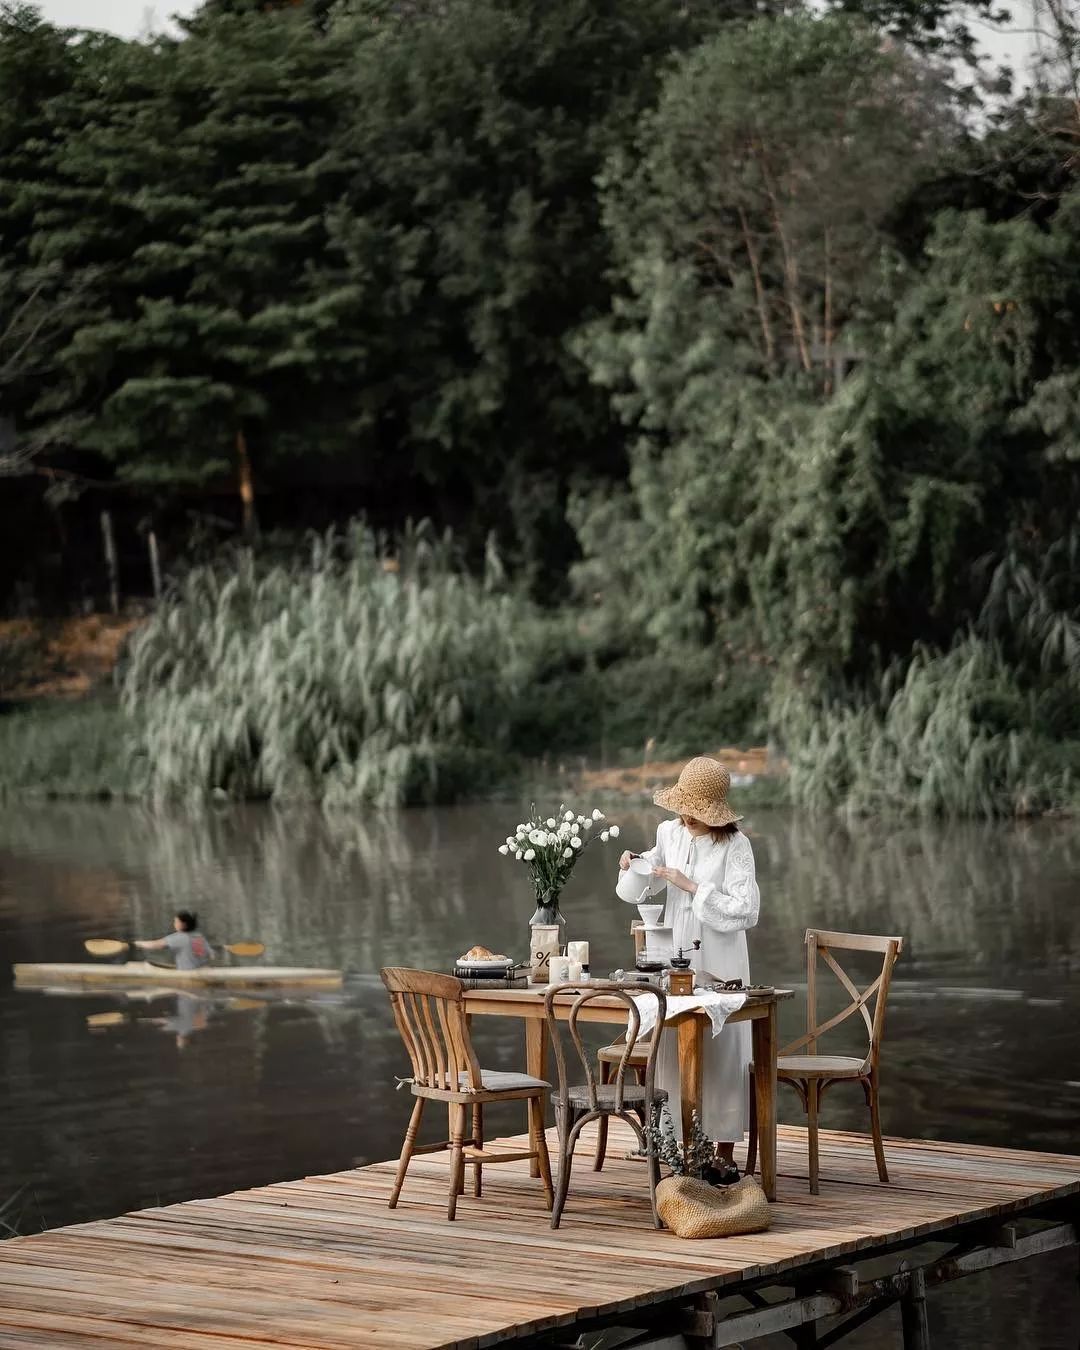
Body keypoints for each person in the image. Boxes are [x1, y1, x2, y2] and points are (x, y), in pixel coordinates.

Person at [617, 756, 759, 1184]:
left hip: (720, 956)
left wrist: (693, 887)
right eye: (683, 807)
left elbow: (746, 910)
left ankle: (723, 1152)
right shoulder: (668, 832)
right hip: (674, 950)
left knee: (724, 1050)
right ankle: (676, 1147)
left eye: (695, 811)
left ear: (714, 812)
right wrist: (633, 866)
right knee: (674, 1044)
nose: (685, 817)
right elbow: (649, 882)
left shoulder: (736, 846)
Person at [134, 911, 214, 970]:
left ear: (183, 924)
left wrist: (137, 943)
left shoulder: (179, 937)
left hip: (187, 975)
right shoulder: (199, 936)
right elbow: (211, 955)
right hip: (203, 970)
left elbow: (155, 945)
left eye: (176, 922)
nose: (174, 924)